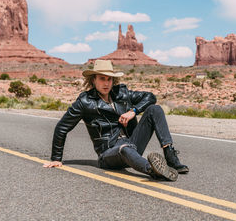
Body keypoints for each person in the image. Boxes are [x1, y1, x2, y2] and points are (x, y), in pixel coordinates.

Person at [43, 60, 189, 181]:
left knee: (155, 109)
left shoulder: (121, 93)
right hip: (108, 153)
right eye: (102, 78)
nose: (106, 83)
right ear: (93, 80)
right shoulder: (84, 102)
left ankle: (170, 156)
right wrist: (56, 158)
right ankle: (153, 169)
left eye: (109, 79)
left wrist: (133, 112)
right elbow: (62, 127)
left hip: (132, 142)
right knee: (124, 148)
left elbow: (150, 97)